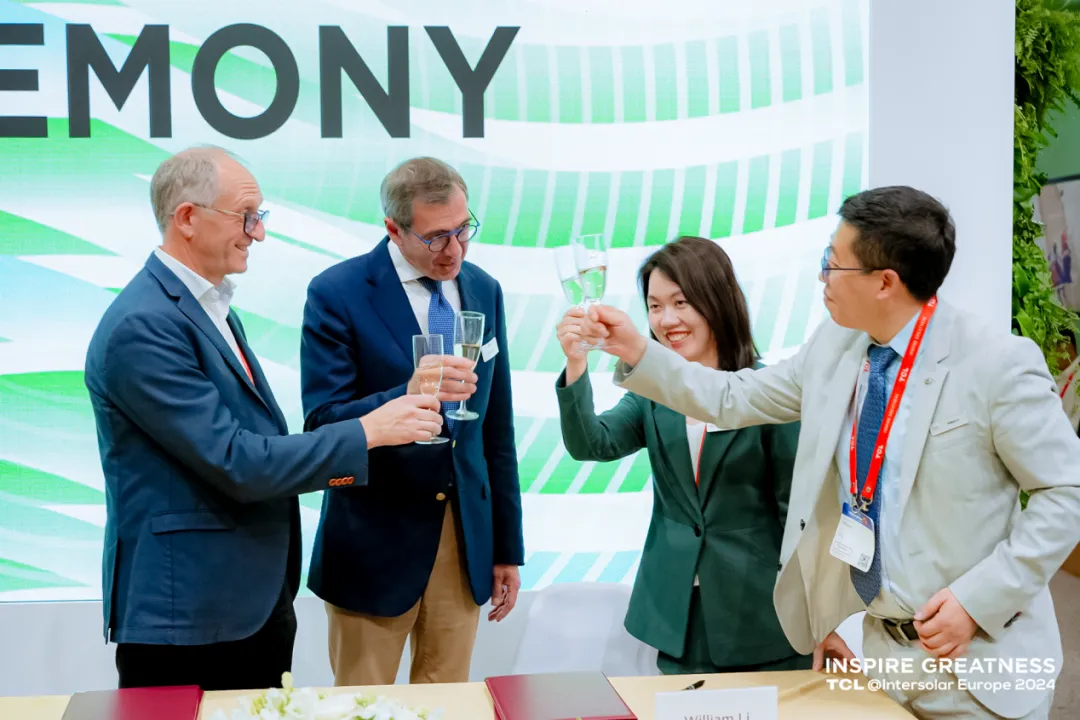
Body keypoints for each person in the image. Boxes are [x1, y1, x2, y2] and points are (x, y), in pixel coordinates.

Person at [580, 186, 1080, 719]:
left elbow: (1066, 492)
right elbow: (732, 396)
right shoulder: (834, 348)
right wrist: (637, 349)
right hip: (887, 662)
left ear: (884, 281)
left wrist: (979, 601)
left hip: (978, 659)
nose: (822, 276)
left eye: (833, 264)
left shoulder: (996, 362)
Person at [83, 146, 443, 692]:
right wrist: (370, 430)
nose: (259, 233)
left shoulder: (206, 309)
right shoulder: (144, 325)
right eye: (247, 216)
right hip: (191, 620)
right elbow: (237, 461)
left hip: (244, 605)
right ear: (187, 218)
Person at [300, 156, 524, 686]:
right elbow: (323, 421)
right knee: (361, 707)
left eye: (463, 230)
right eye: (436, 237)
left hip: (464, 539)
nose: (455, 250)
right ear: (393, 229)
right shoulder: (338, 292)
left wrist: (505, 547)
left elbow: (496, 428)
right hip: (374, 540)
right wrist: (407, 394)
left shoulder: (484, 288)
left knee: (449, 704)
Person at [554, 236, 812, 675]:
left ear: (717, 301)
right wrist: (576, 363)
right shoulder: (653, 392)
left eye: (681, 303)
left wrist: (816, 617)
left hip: (763, 616)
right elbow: (592, 444)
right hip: (677, 612)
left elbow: (797, 516)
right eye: (654, 306)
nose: (667, 320)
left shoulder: (768, 392)